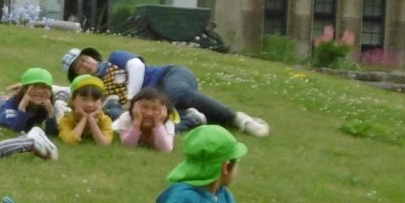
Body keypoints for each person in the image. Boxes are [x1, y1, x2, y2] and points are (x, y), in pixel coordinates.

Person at [64, 46, 269, 137]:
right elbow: (71, 93)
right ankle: (194, 119)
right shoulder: (95, 90)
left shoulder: (115, 57)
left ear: (92, 56)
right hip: (155, 103)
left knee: (176, 94)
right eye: (80, 67)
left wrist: (130, 99)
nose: (86, 64)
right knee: (148, 118)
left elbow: (136, 66)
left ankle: (239, 120)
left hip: (168, 76)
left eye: (85, 59)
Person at [0, 67, 60, 139]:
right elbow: (16, 128)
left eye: (44, 87)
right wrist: (22, 107)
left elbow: (52, 133)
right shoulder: (10, 105)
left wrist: (51, 112)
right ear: (24, 89)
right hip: (2, 102)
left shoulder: (48, 105)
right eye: (35, 86)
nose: (39, 91)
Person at [58, 75, 116, 147]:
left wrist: (91, 120)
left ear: (101, 103)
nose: (90, 105)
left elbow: (104, 144)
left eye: (94, 100)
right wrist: (84, 118)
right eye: (84, 99)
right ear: (73, 100)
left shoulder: (105, 120)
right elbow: (69, 141)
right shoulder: (67, 119)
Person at [116, 86, 177, 152]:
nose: (149, 113)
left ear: (164, 111)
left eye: (154, 109)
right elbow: (128, 146)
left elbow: (166, 150)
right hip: (118, 124)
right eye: (145, 107)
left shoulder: (168, 123)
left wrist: (159, 124)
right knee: (115, 113)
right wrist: (137, 122)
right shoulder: (126, 118)